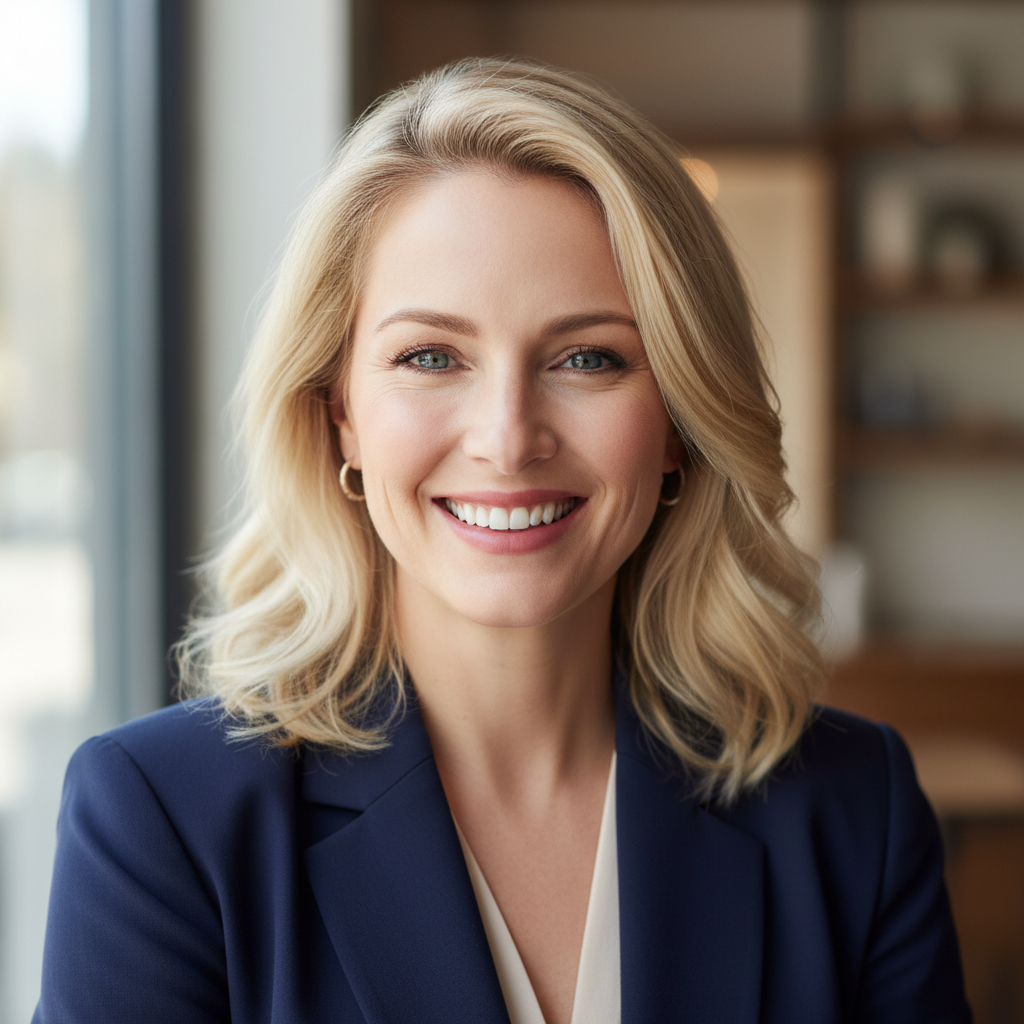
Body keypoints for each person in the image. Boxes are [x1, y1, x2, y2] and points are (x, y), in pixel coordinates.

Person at [34, 58, 970, 1024]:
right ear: (340, 415)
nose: (509, 437)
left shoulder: (854, 812)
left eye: (588, 358)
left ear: (682, 425)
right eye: (431, 356)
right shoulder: (162, 820)